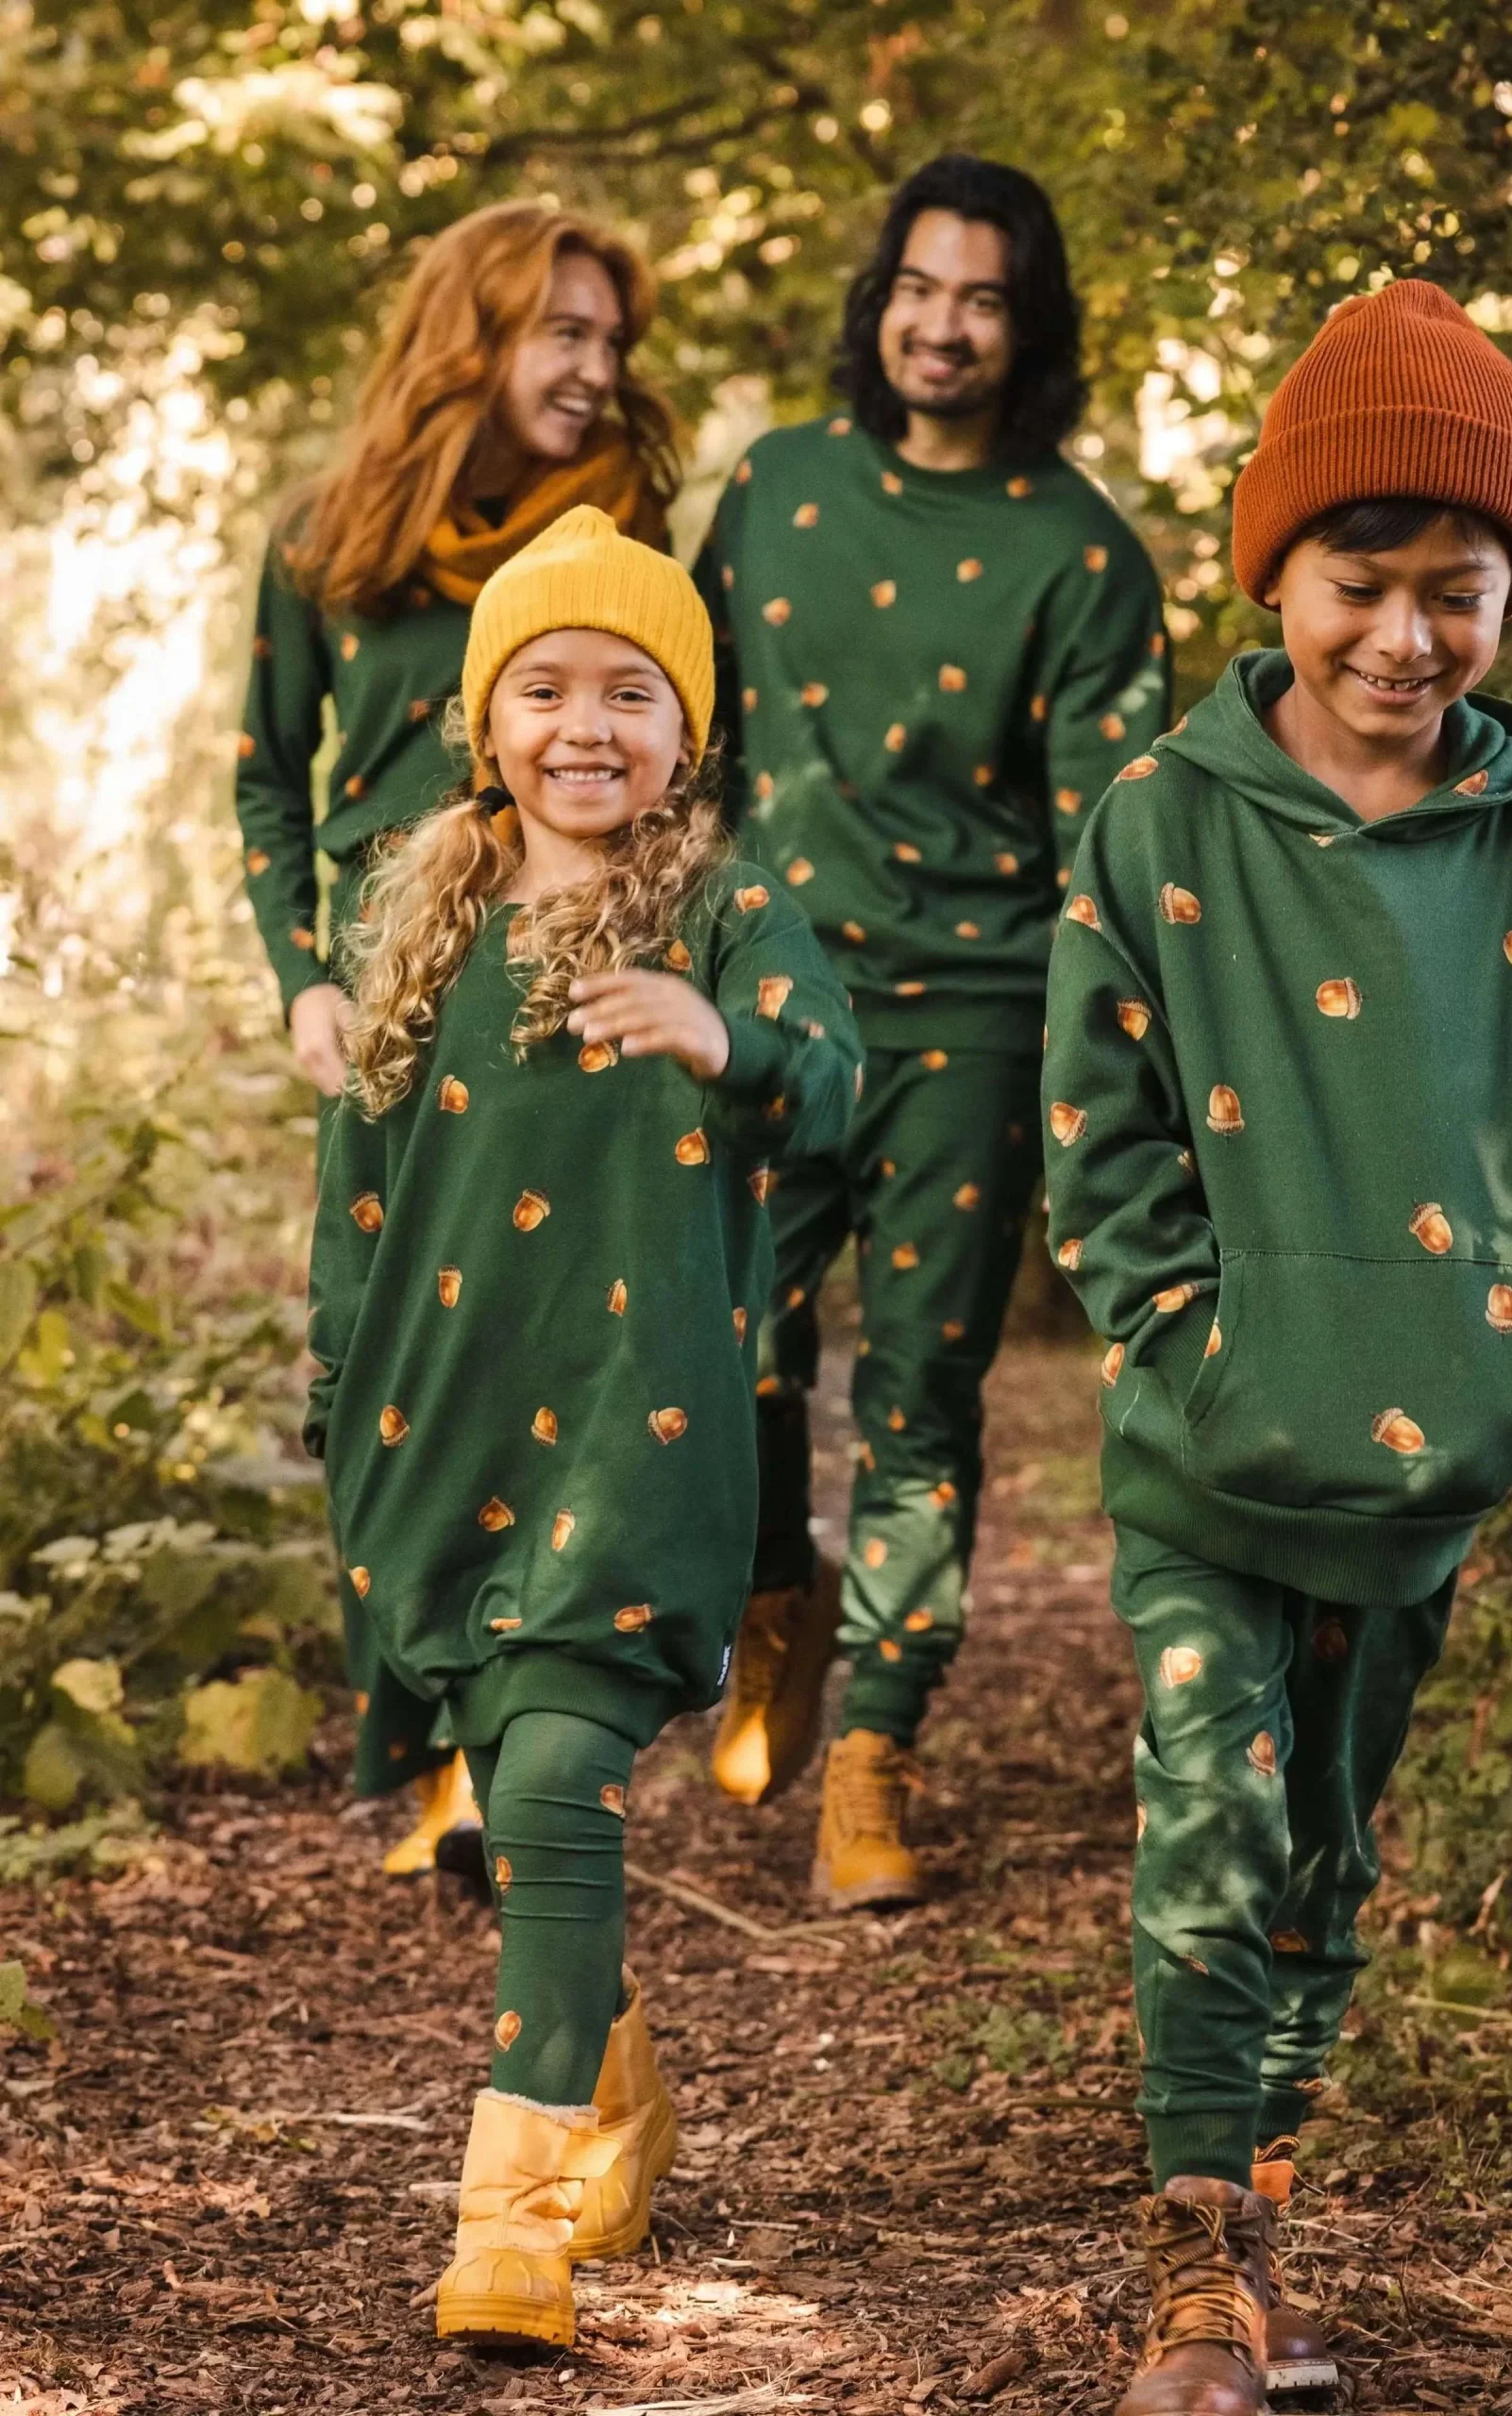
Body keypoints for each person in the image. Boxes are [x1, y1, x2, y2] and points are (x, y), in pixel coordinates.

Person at [1041, 280, 1512, 2413]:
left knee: (1326, 1843)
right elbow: (1100, 1113)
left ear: (1511, 600)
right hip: (1208, 1454)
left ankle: (1266, 2211)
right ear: (1275, 576)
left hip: (1429, 1464)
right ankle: (1192, 2256)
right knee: (1210, 1819)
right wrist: (1186, 1334)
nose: (1404, 637)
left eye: (1455, 593)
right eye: (1359, 584)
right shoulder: (1164, 819)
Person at [304, 505, 859, 2347]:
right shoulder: (424, 922)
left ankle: (511, 2218)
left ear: (684, 731)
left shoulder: (726, 914)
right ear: (489, 719)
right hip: (444, 1435)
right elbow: (358, 1200)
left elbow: (836, 1081)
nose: (586, 725)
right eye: (544, 687)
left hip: (644, 1427)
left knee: (550, 1782)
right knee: (535, 1804)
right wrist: (337, 1396)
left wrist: (725, 1037)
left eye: (632, 690)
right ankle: (616, 2085)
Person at [643, 153, 1168, 1909]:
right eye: (920, 289)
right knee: (730, 1334)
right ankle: (774, 1589)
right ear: (881, 304)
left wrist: (1119, 1063)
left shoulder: (1082, 557)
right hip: (765, 995)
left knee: (925, 1392)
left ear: (1031, 329)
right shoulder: (778, 487)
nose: (943, 327)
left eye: (984, 300)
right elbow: (688, 730)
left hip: (977, 1020)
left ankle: (876, 1745)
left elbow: (1110, 849)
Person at [236, 200, 679, 1874]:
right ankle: (416, 1715)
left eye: (610, 341)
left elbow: (683, 746)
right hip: (392, 986)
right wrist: (305, 977)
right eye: (563, 332)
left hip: (567, 959)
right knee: (384, 1338)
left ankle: (518, 1726)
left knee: (544, 1331)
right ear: (470, 338)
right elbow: (267, 781)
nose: (596, 369)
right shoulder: (324, 538)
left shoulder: (625, 532)